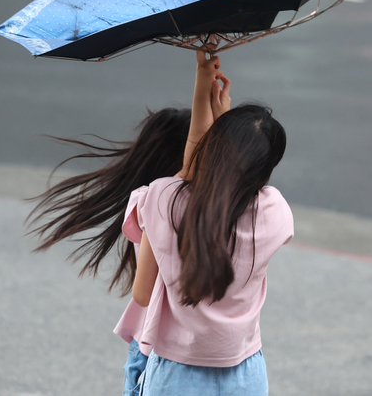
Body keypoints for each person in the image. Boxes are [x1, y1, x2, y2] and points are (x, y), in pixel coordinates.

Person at [129, 49, 293, 396]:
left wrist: (203, 84)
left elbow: (142, 294)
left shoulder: (162, 199)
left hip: (176, 375)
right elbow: (208, 180)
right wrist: (225, 130)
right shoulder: (274, 212)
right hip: (245, 375)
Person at [26, 106, 192, 396]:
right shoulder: (162, 206)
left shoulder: (151, 202)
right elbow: (146, 293)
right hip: (164, 352)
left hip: (153, 344)